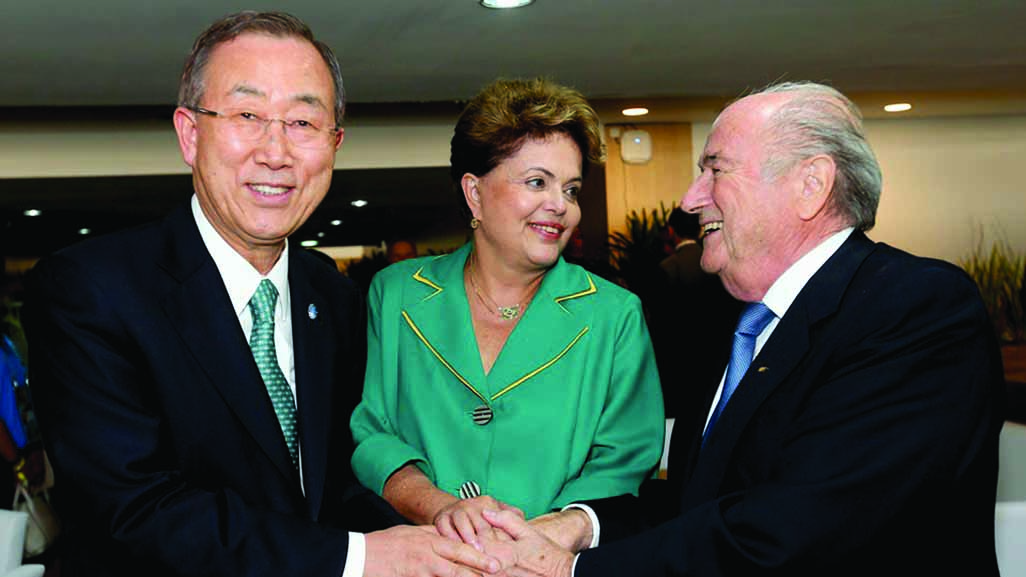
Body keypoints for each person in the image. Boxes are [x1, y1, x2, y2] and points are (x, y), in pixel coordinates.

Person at [23, 11, 500, 577]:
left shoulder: (335, 295)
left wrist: (443, 519)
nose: (276, 152)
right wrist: (361, 556)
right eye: (248, 115)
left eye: (303, 123)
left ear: (334, 145)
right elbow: (133, 510)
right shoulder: (89, 289)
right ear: (190, 133)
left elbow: (338, 478)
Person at [483, 81, 1005, 576]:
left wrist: (572, 569)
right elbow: (706, 503)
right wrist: (579, 526)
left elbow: (803, 528)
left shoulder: (916, 307)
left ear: (810, 186)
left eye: (714, 170)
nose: (690, 199)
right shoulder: (739, 326)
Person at [350, 78, 664, 552]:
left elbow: (624, 460)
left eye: (572, 189)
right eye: (537, 182)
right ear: (475, 193)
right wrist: (440, 508)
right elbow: (372, 433)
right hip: (421, 559)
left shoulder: (614, 313)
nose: (561, 206)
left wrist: (548, 535)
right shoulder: (396, 294)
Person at [648, 208, 739, 417]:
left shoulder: (667, 268)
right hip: (713, 358)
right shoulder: (717, 262)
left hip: (677, 364)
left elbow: (661, 326)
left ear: (671, 231)